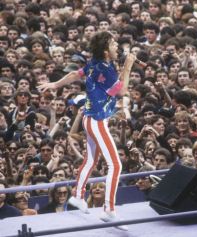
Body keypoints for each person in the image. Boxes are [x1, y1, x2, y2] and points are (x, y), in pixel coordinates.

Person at [38, 31, 136, 230]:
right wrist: (128, 66)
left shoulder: (96, 63)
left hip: (90, 119)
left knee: (91, 160)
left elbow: (76, 74)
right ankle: (109, 210)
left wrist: (55, 84)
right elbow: (123, 91)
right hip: (97, 122)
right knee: (115, 165)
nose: (117, 45)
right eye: (114, 43)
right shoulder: (106, 69)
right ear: (106, 50)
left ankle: (78, 196)